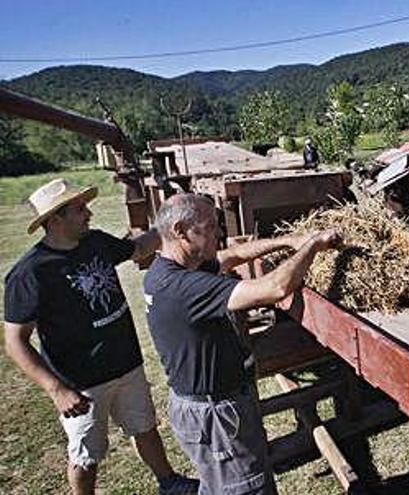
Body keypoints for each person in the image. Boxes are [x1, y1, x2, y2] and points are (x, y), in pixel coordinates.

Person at [3, 178, 199, 495]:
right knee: (86, 456)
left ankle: (169, 482)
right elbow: (15, 342)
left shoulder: (95, 242)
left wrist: (169, 220)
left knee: (145, 428)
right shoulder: (30, 274)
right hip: (81, 383)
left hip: (126, 364)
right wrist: (56, 390)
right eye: (80, 209)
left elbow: (138, 249)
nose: (89, 213)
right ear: (55, 219)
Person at [143, 193, 342, 494]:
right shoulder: (184, 288)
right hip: (217, 417)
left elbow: (229, 257)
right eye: (210, 227)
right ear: (181, 231)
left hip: (205, 407)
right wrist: (313, 244)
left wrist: (288, 241)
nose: (219, 233)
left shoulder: (166, 270)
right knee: (246, 488)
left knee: (221, 485)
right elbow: (275, 288)